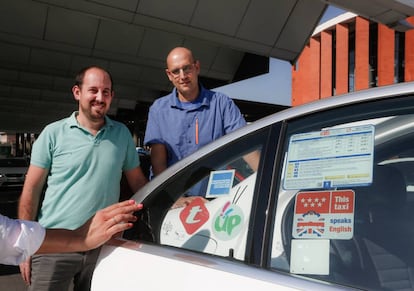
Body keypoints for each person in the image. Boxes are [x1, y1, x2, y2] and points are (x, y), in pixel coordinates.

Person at [18, 65, 148, 290]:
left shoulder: (122, 135)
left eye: (106, 92)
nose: (100, 97)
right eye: (93, 90)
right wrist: (25, 245)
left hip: (104, 245)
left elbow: (137, 182)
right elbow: (31, 190)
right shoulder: (53, 133)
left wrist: (172, 201)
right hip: (54, 243)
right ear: (77, 92)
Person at [144, 46, 247, 178]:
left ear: (197, 67)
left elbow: (244, 146)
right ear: (169, 75)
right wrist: (175, 198)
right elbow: (159, 164)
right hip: (175, 195)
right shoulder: (158, 110)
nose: (183, 76)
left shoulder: (222, 104)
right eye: (176, 71)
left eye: (187, 68)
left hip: (216, 195)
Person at [1, 200, 142, 266]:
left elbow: (11, 237)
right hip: (51, 250)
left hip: (99, 245)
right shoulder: (50, 139)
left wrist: (81, 238)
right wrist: (81, 238)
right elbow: (32, 189)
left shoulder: (122, 140)